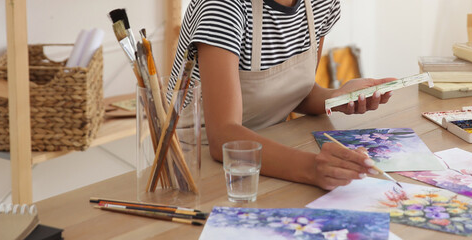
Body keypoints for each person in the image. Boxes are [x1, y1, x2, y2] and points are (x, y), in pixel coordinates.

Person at [169, 0, 395, 190]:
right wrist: (313, 168)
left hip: (270, 153)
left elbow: (298, 94)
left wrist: (337, 98)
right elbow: (222, 138)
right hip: (197, 164)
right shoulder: (222, 6)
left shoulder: (322, 4)